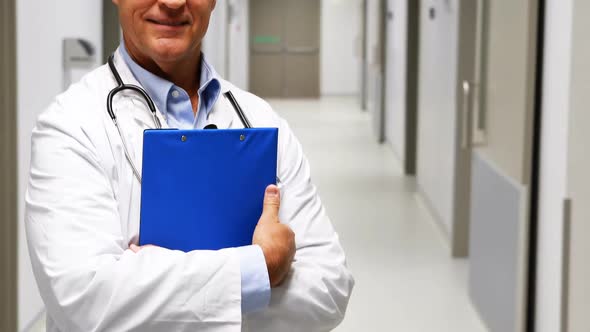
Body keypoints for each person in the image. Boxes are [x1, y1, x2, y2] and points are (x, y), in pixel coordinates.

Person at [25, 0, 354, 331]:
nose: (172, 2)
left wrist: (155, 284)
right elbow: (87, 301)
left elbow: (329, 288)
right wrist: (262, 268)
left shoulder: (262, 121)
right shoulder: (71, 125)